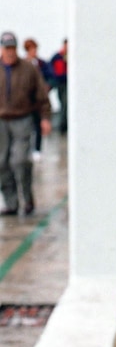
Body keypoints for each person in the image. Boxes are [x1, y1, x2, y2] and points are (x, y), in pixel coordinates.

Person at [0, 31, 52, 215]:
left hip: (22, 119)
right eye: (7, 48)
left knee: (20, 160)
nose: (10, 52)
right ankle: (11, 202)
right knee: (2, 163)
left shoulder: (28, 69)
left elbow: (41, 95)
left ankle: (27, 199)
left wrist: (45, 118)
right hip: (1, 122)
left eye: (13, 48)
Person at [23, 38, 53, 159]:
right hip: (26, 101)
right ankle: (29, 148)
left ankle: (37, 149)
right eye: (32, 49)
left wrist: (47, 87)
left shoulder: (41, 63)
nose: (34, 51)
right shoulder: (23, 64)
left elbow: (50, 76)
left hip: (38, 100)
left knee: (38, 124)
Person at [49, 38, 67, 134]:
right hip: (59, 83)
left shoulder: (69, 56)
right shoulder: (57, 57)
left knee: (65, 103)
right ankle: (62, 124)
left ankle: (63, 125)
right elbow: (50, 67)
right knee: (62, 102)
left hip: (66, 83)